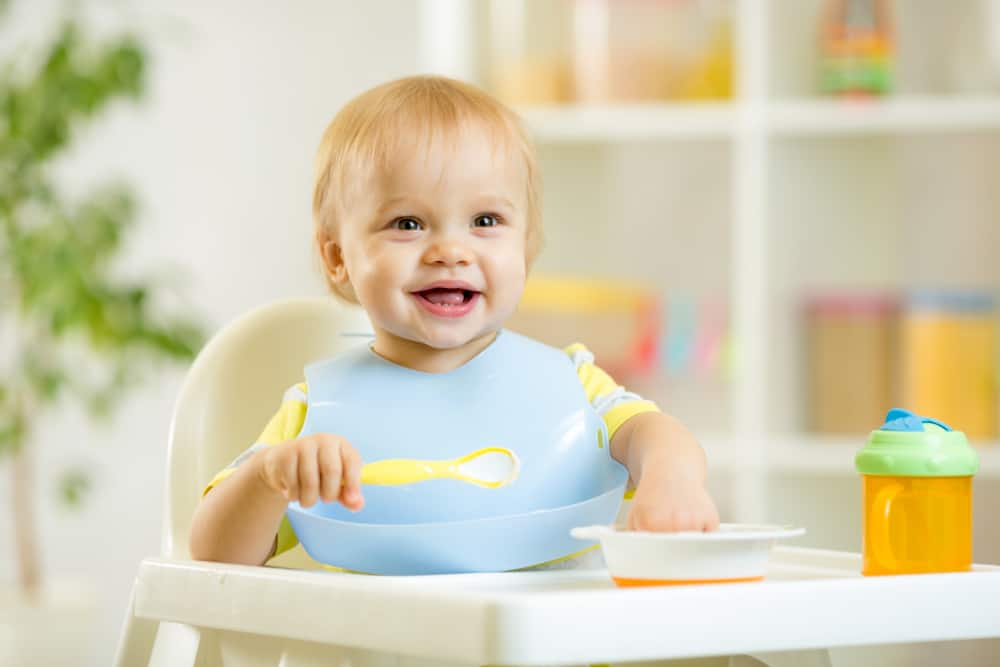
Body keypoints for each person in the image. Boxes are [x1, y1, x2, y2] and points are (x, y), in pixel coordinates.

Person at [188, 75, 719, 568]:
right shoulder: (316, 414)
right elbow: (213, 557)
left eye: (485, 221)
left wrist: (671, 477)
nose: (450, 250)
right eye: (407, 223)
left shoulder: (572, 386)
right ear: (337, 258)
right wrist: (269, 477)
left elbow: (657, 435)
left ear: (526, 250)